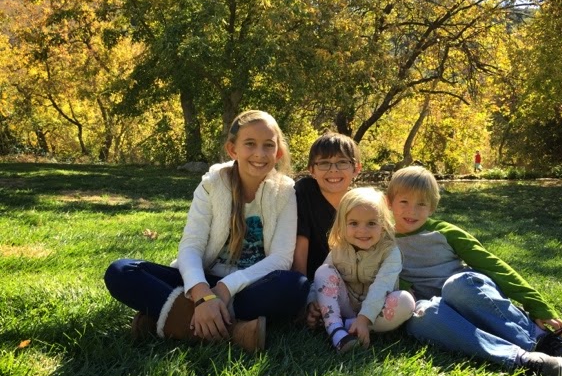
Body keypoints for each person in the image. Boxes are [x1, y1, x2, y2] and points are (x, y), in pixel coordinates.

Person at [104, 110, 310, 352]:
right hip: (202, 279)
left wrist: (224, 290)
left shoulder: (285, 192)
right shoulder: (212, 184)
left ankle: (172, 322)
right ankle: (235, 332)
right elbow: (191, 246)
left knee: (294, 285)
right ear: (232, 149)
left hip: (248, 287)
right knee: (121, 271)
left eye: (268, 145)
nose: (259, 153)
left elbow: (281, 259)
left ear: (278, 153)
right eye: (250, 144)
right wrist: (202, 294)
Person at [386, 166, 562, 376]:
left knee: (457, 285)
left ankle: (541, 339)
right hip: (441, 314)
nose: (412, 211)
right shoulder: (382, 240)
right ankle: (524, 360)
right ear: (389, 202)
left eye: (421, 204)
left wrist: (537, 304)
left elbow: (493, 266)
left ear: (432, 207)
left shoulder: (445, 232)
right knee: (420, 316)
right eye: (404, 202)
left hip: (469, 297)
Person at [311, 187, 415, 353]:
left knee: (406, 301)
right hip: (346, 305)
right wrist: (312, 303)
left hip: (378, 310)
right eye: (354, 223)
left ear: (383, 225)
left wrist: (364, 318)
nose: (362, 231)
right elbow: (321, 283)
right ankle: (337, 332)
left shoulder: (390, 252)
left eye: (371, 223)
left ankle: (342, 324)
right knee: (323, 271)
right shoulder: (339, 249)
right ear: (342, 225)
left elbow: (382, 286)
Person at [292, 132, 362, 327]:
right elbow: (300, 245)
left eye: (342, 162)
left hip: (350, 283)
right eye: (324, 163)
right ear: (312, 169)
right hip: (312, 279)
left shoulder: (361, 204)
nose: (333, 170)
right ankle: (315, 308)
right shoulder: (305, 191)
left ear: (356, 168)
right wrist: (303, 294)